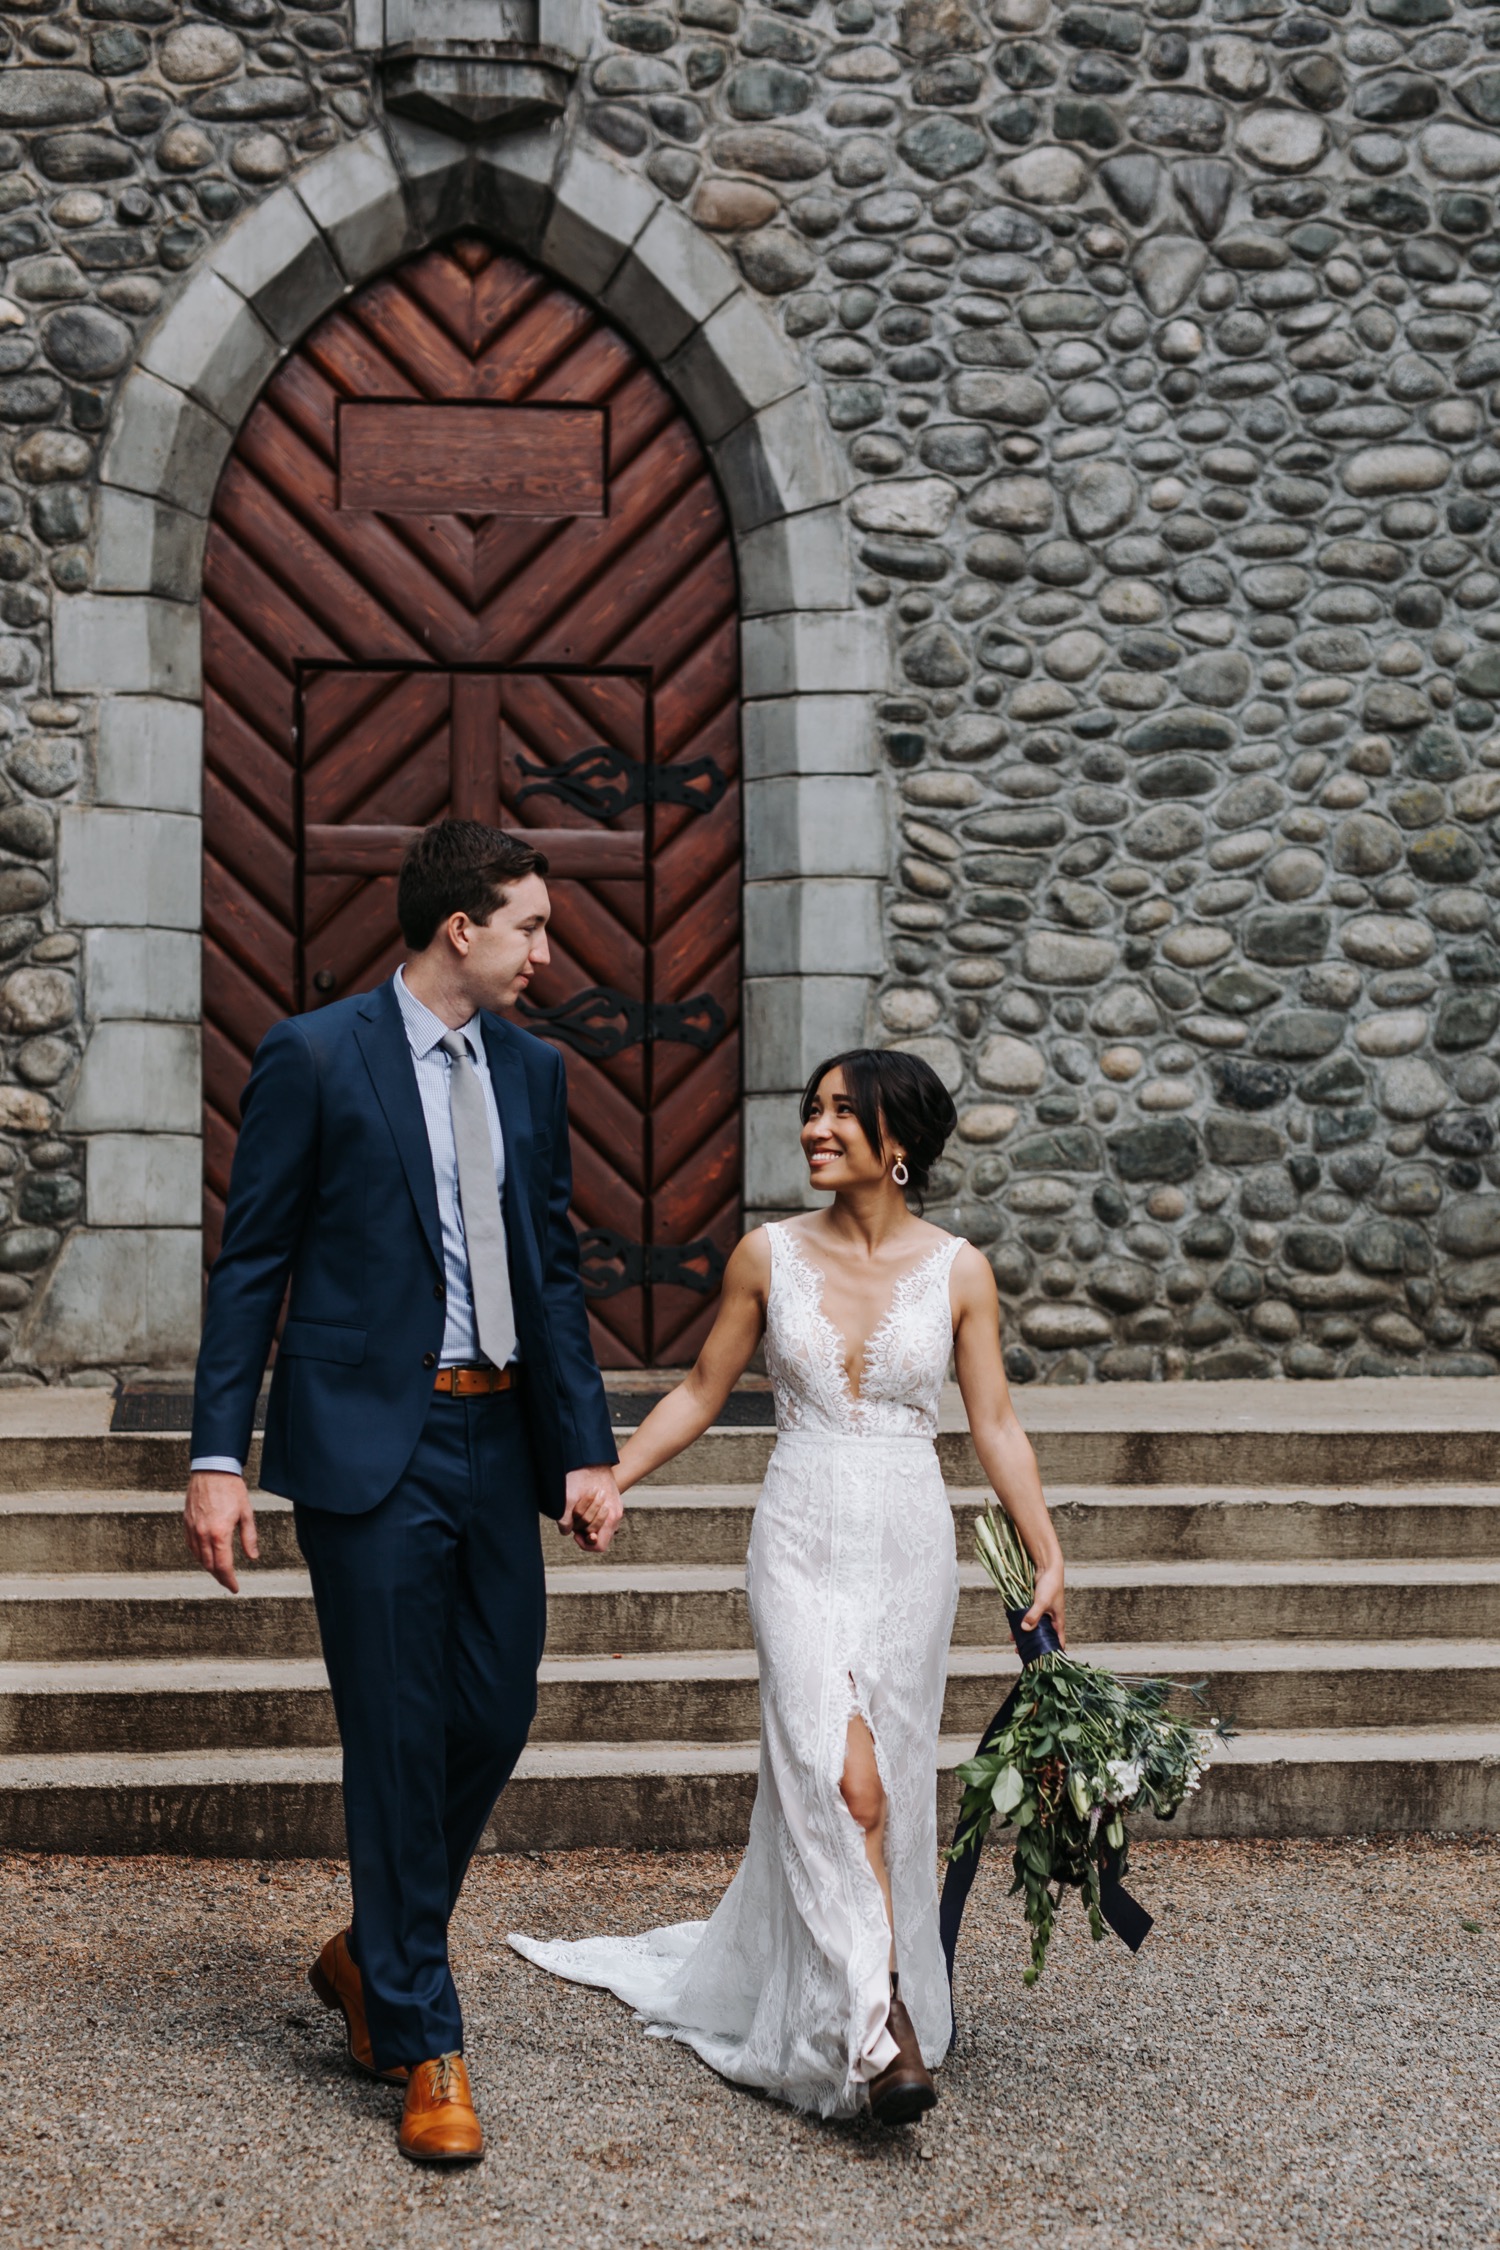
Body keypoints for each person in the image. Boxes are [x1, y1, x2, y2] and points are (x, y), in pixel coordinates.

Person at [509, 1048, 1065, 2122]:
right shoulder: (766, 1256)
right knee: (833, 1768)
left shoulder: (960, 1271)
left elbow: (994, 1422)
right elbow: (701, 1391)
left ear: (896, 1143)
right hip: (800, 1536)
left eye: (840, 1116)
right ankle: (878, 2018)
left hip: (908, 1544)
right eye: (810, 1111)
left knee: (887, 1780)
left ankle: (868, 1997)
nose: (814, 1129)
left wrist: (1044, 1548)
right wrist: (610, 1476)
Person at [184, 819, 624, 2166]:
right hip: (369, 1443)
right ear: (461, 929)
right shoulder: (316, 1055)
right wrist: (217, 1454)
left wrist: (586, 1445)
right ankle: (428, 2042)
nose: (549, 951)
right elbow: (251, 1260)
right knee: (393, 1728)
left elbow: (549, 1270)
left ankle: (374, 1950)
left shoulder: (534, 1073)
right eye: (532, 926)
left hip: (500, 1442)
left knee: (494, 1704)